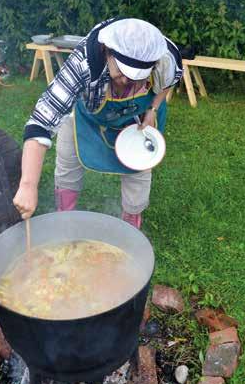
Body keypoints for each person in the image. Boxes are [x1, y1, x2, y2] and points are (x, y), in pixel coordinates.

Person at [13, 17, 182, 228]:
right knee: (68, 158)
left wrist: (152, 109)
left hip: (136, 118)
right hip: (87, 115)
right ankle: (64, 218)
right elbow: (41, 121)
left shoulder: (166, 57)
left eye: (135, 79)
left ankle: (131, 225)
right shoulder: (84, 62)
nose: (125, 82)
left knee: (139, 168)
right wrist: (28, 185)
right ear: (106, 51)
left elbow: (170, 81)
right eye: (121, 73)